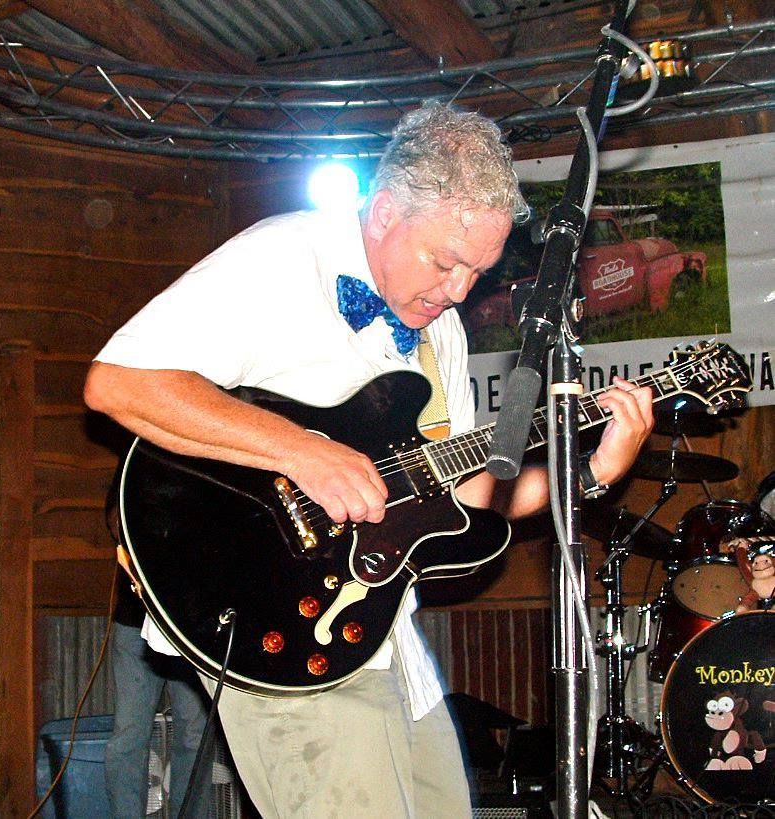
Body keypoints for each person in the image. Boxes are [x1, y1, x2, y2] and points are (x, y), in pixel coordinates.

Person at [84, 102, 653, 819]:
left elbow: (473, 496)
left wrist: (594, 471)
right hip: (281, 624)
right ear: (384, 211)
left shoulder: (438, 331)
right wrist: (304, 451)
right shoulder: (284, 257)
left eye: (474, 273)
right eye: (445, 261)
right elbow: (120, 383)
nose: (455, 292)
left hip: (384, 635)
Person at [105, 491, 214, 818]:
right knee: (128, 737)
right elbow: (114, 520)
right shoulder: (138, 454)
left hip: (190, 627)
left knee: (194, 737)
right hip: (135, 622)